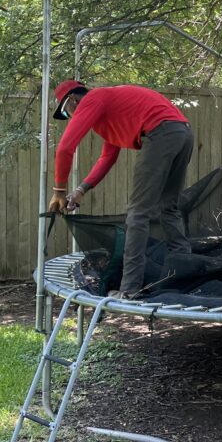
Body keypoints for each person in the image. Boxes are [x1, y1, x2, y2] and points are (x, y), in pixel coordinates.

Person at [47, 80, 194, 298]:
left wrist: (58, 190)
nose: (70, 117)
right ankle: (185, 273)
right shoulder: (111, 109)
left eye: (67, 112)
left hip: (161, 133)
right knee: (168, 207)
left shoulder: (94, 99)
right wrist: (81, 190)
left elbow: (65, 148)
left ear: (73, 101)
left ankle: (129, 290)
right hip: (182, 134)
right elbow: (107, 158)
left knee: (138, 213)